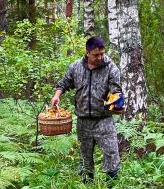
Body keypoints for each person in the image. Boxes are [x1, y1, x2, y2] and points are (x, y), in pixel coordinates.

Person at [50, 37, 122, 187]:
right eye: (96, 55)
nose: (100, 57)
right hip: (83, 121)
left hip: (103, 119)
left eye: (102, 53)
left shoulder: (110, 67)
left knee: (111, 153)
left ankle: (112, 185)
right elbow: (64, 82)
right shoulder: (76, 67)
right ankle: (87, 185)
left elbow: (116, 90)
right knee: (84, 157)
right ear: (87, 53)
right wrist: (57, 95)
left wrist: (116, 105)